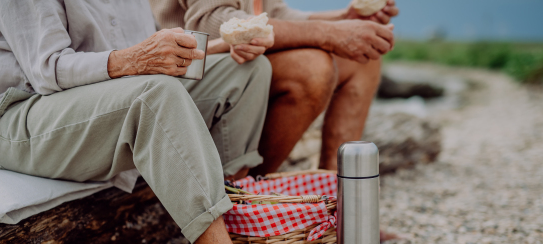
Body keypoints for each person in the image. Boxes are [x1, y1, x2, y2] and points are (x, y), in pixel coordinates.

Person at [0, 0, 326, 244]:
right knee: (155, 95)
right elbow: (49, 70)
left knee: (245, 70)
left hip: (97, 102)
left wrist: (221, 48)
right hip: (15, 119)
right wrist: (136, 60)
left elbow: (146, 57)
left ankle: (240, 236)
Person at [151, 0, 399, 175]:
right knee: (311, 69)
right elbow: (213, 26)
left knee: (364, 55)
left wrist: (345, 19)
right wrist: (327, 33)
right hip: (189, 70)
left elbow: (274, 13)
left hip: (233, 59)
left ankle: (340, 201)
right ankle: (247, 199)